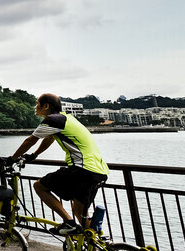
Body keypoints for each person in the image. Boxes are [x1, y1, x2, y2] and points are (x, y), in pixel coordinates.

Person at [8, 93, 109, 237]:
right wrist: (34, 155)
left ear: (46, 106)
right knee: (79, 211)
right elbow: (49, 138)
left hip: (82, 169)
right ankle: (96, 249)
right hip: (99, 171)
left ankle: (68, 222)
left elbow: (30, 141)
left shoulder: (53, 120)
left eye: (37, 104)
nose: (35, 107)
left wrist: (12, 159)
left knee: (39, 186)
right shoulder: (66, 118)